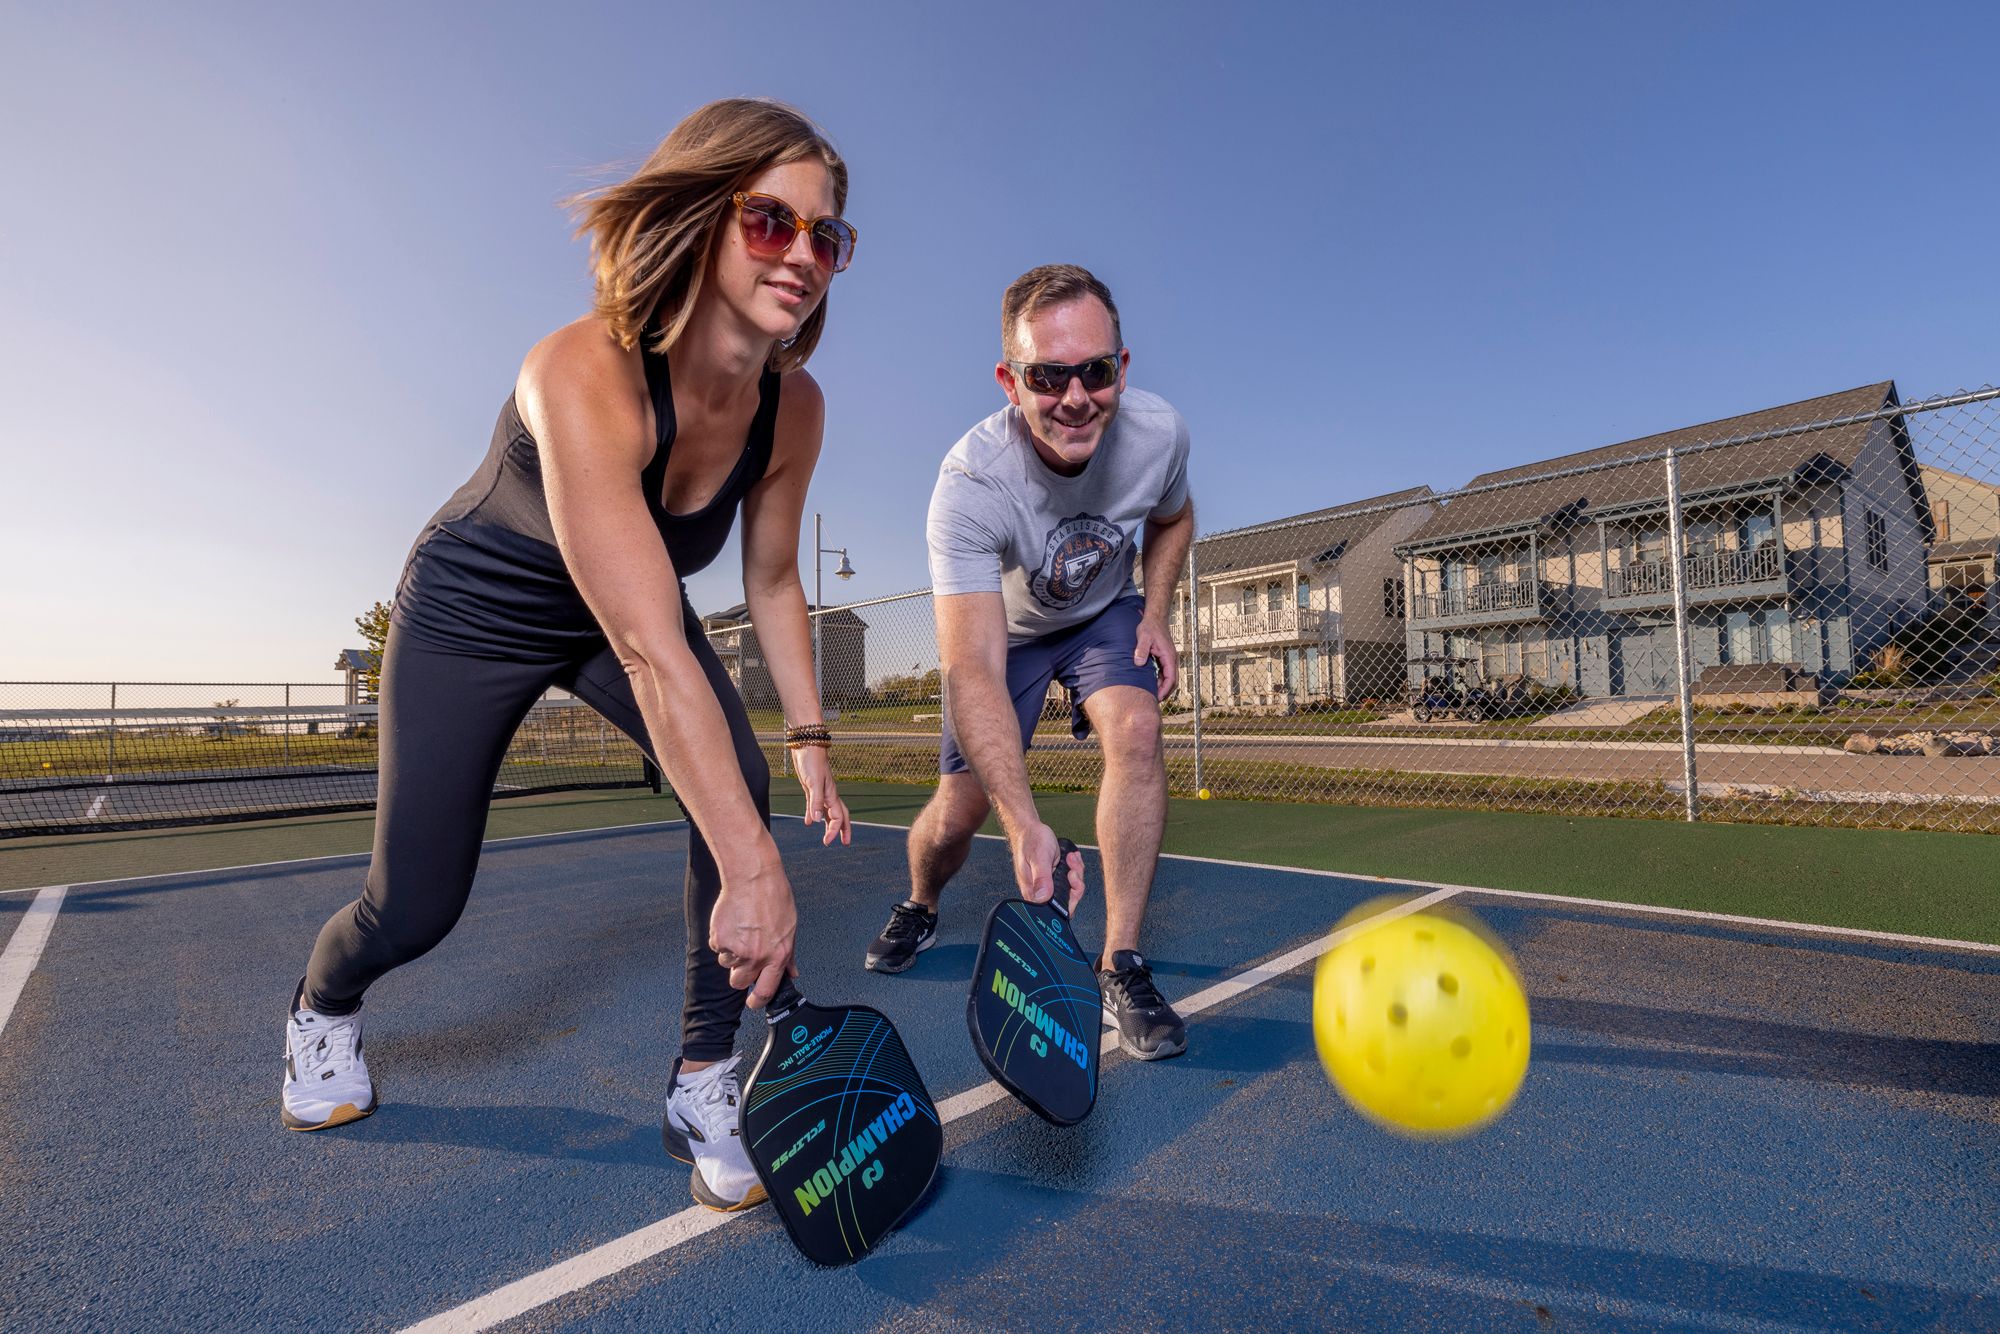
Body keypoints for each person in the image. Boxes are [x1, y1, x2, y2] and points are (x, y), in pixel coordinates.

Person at [280, 99, 856, 1216]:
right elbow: (651, 644)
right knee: (415, 904)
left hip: (620, 600)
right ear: (700, 215)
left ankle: (702, 1079)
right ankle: (320, 1005)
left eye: (826, 235)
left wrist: (809, 733)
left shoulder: (796, 409)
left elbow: (773, 579)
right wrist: (754, 869)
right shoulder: (582, 367)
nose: (802, 255)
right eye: (769, 221)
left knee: (734, 780)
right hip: (478, 601)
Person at [866, 264, 1196, 1061]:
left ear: (1122, 366)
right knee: (961, 813)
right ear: (1011, 382)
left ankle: (1120, 962)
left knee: (1138, 728)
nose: (1076, 397)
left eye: (1096, 370)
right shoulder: (972, 483)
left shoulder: (1160, 433)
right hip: (1005, 637)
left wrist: (1154, 614)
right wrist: (1024, 826)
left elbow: (1175, 519)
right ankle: (919, 901)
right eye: (1049, 376)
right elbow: (970, 667)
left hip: (1103, 614)